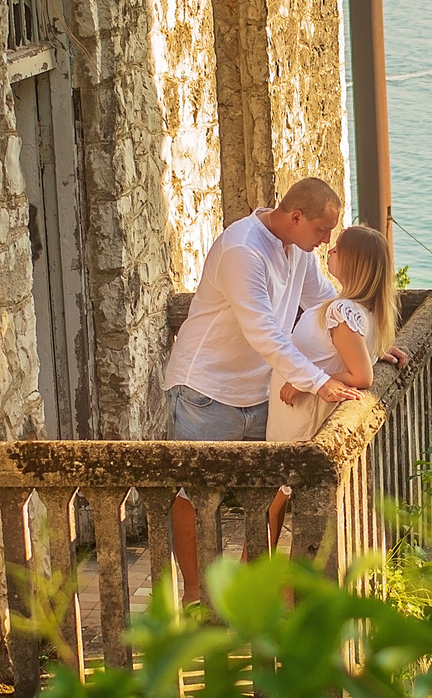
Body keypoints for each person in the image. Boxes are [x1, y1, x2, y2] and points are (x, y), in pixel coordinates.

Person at [162, 178, 361, 602]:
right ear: (295, 217)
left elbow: (325, 302)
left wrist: (372, 344)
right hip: (205, 388)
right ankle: (197, 595)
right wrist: (319, 381)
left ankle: (245, 595)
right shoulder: (243, 250)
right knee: (196, 493)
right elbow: (265, 332)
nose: (327, 242)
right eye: (322, 231)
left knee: (274, 491)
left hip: (260, 391)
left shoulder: (297, 249)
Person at [263, 224, 398, 544]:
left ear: (355, 261)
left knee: (270, 509)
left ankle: (257, 586)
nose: (330, 250)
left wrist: (307, 382)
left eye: (339, 247)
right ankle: (261, 583)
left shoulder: (342, 310)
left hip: (301, 417)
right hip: (295, 414)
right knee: (272, 509)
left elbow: (361, 376)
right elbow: (352, 356)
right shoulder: (359, 310)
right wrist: (379, 353)